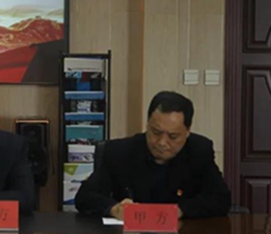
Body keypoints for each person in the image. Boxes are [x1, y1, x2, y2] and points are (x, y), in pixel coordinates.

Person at [75, 91, 231, 219]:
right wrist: (115, 209)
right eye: (156, 132)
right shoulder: (119, 152)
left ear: (187, 132)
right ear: (147, 124)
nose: (162, 142)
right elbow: (85, 197)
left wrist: (181, 210)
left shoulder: (199, 151)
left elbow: (221, 199)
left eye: (173, 136)